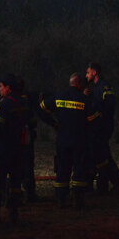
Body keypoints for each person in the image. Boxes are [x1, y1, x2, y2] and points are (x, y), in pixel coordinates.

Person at [39, 72, 90, 209]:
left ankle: (61, 199)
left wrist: (53, 123)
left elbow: (41, 109)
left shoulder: (58, 96)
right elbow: (93, 117)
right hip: (79, 140)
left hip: (62, 140)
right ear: (79, 84)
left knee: (62, 168)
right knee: (79, 168)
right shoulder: (83, 99)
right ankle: (78, 199)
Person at [0, 73, 27, 225]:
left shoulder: (5, 104)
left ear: (8, 88)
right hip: (19, 148)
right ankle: (13, 213)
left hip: (4, 148)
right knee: (15, 182)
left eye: (1, 86)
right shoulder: (23, 102)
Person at [85, 63, 119, 194]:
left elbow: (108, 106)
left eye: (88, 72)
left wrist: (98, 119)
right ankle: (115, 183)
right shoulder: (95, 89)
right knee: (102, 156)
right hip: (98, 127)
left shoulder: (104, 87)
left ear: (94, 72)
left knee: (101, 156)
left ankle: (108, 184)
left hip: (102, 127)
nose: (86, 75)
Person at [17, 77, 43, 203]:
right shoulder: (24, 98)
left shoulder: (22, 97)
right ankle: (27, 193)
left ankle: (27, 193)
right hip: (23, 137)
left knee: (24, 165)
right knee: (25, 165)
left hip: (23, 137)